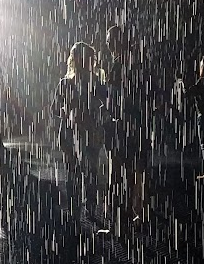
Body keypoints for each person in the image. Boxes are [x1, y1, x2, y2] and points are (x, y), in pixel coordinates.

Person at [51, 41, 107, 217]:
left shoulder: (85, 82)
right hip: (79, 132)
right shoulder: (87, 82)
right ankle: (85, 208)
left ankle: (79, 209)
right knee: (84, 172)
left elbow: (55, 109)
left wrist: (69, 112)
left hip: (79, 132)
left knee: (78, 172)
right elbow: (55, 108)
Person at [105, 24, 153, 225]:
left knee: (119, 173)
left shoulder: (119, 65)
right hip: (139, 124)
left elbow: (114, 98)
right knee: (137, 171)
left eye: (109, 41)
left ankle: (120, 220)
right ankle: (139, 214)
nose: (108, 45)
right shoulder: (140, 62)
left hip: (124, 126)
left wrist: (112, 115)